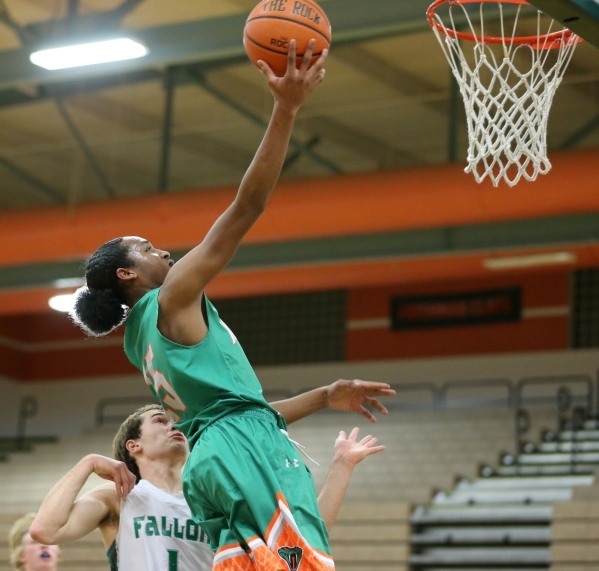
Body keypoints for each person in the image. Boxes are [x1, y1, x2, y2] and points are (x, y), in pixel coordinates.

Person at [69, 40, 393, 570]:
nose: (166, 251)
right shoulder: (171, 297)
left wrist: (326, 394)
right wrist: (285, 109)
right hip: (241, 452)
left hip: (213, 461)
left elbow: (237, 414)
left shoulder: (138, 341)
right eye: (149, 250)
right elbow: (248, 206)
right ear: (127, 274)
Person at [30, 404, 385, 571]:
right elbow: (46, 529)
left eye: (173, 420)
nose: (174, 425)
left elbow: (303, 536)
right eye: (159, 420)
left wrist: (341, 466)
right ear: (133, 446)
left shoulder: (214, 497)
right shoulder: (119, 499)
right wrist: (87, 464)